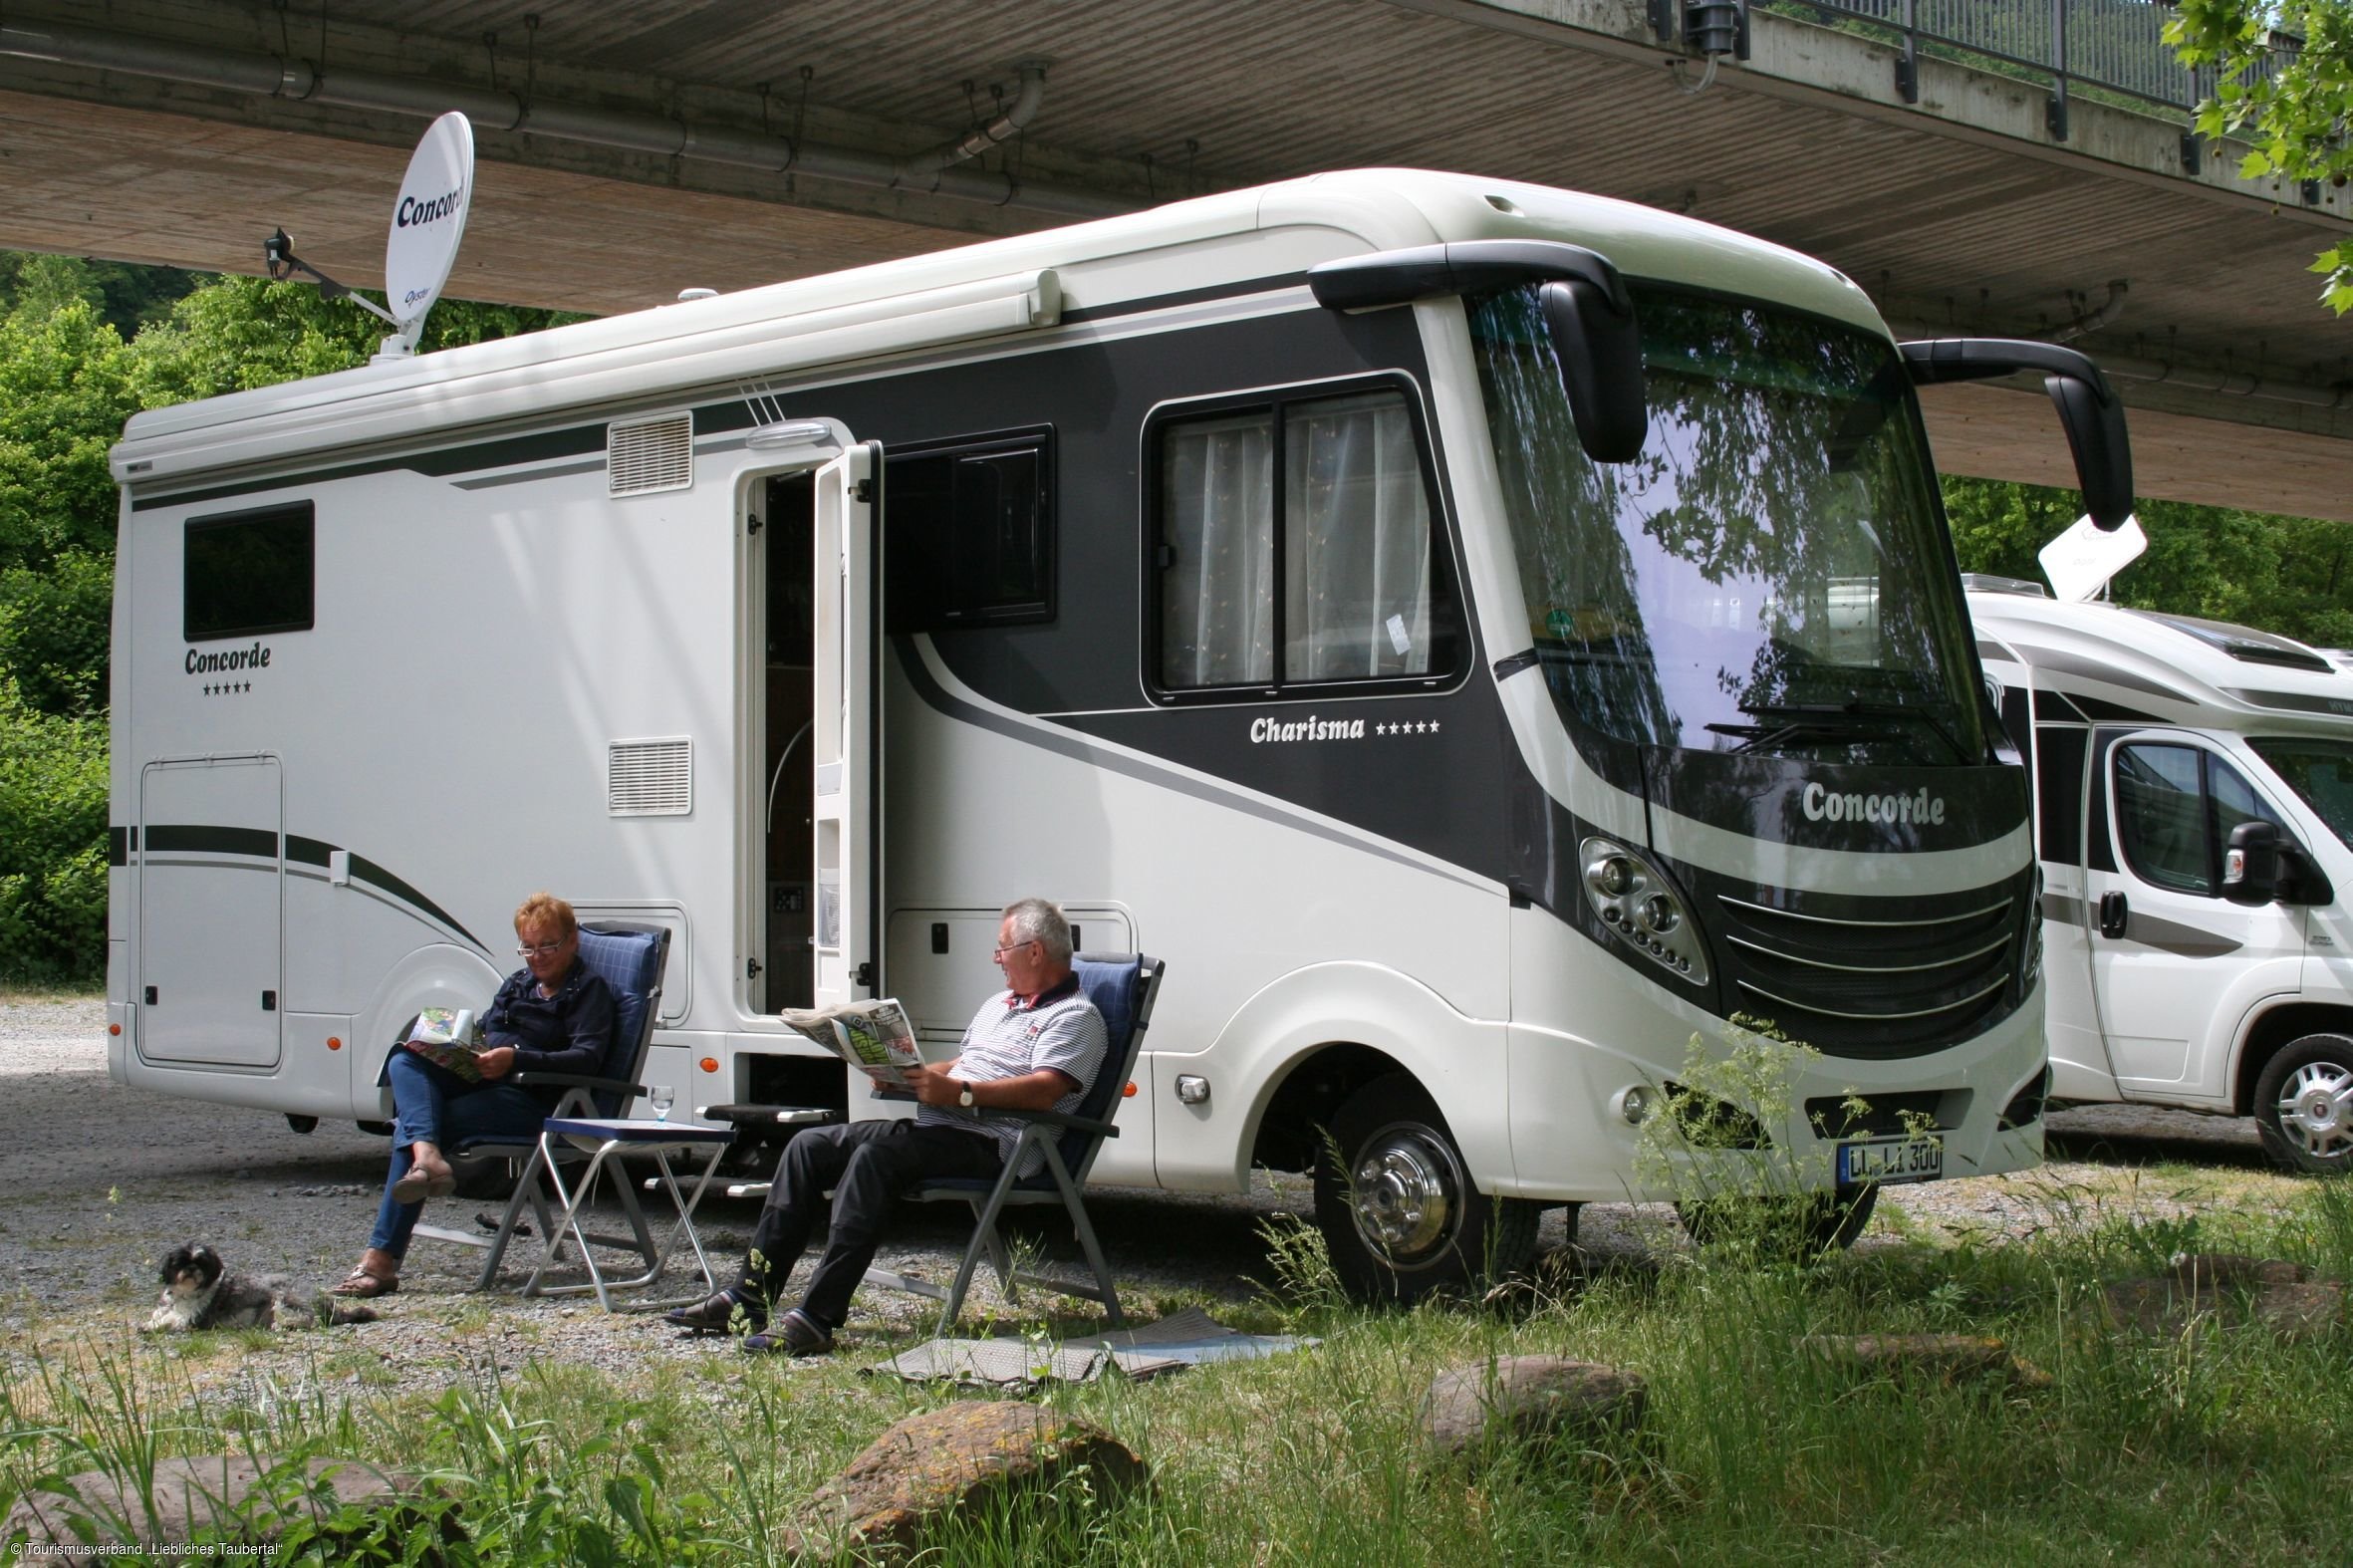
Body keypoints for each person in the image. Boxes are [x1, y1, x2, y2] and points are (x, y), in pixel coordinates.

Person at [665, 896, 1106, 1355]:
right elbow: (965, 1063)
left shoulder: (1076, 1017)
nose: (996, 960)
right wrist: (906, 1071)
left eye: (1002, 949)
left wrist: (960, 1094)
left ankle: (816, 1317)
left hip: (998, 1143)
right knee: (808, 1145)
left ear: (1035, 951)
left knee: (875, 1159)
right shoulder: (1000, 1004)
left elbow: (1045, 1090)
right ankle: (750, 1296)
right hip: (944, 1127)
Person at [331, 892, 616, 1298]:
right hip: (489, 1081)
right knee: (404, 1058)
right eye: (528, 948)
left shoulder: (590, 992)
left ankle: (381, 1259)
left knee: (410, 1129)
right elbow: (489, 1028)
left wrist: (516, 1056)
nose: (537, 957)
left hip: (539, 1102)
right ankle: (428, 1155)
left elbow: (587, 1057)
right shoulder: (518, 985)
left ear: (572, 942)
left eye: (548, 946)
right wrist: (462, 1050)